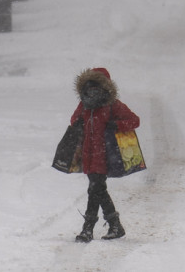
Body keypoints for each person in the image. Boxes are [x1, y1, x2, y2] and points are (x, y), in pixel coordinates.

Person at [69, 67, 140, 243]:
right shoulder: (87, 104)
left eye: (96, 86)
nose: (93, 90)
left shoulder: (111, 105)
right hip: (91, 155)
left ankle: (88, 229)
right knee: (98, 190)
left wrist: (115, 125)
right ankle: (115, 225)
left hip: (104, 155)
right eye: (90, 86)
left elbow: (134, 121)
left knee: (95, 189)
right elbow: (74, 120)